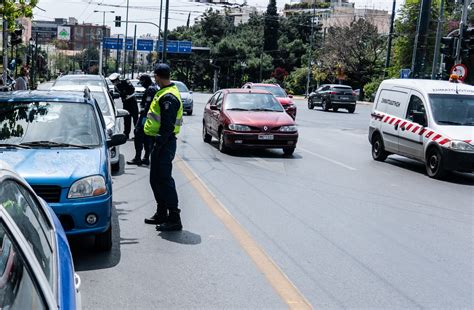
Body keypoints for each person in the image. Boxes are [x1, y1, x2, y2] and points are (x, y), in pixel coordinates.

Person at [143, 64, 183, 231]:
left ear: (158, 76)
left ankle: (174, 218)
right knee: (155, 179)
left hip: (164, 143)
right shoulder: (165, 93)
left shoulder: (168, 97)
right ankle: (161, 212)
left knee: (165, 180)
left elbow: (167, 127)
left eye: (155, 77)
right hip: (160, 142)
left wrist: (158, 144)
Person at [127, 74, 158, 166]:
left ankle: (138, 158)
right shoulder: (153, 88)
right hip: (149, 116)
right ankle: (145, 157)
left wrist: (143, 119)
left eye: (142, 83)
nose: (141, 85)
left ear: (145, 81)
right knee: (146, 137)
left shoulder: (150, 89)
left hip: (146, 116)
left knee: (138, 133)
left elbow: (147, 106)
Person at [108, 73, 139, 139]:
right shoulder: (116, 87)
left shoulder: (126, 82)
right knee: (126, 119)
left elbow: (133, 90)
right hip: (125, 103)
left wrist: (129, 96)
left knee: (135, 119)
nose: (113, 83)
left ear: (118, 79)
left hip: (132, 102)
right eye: (112, 81)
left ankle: (137, 134)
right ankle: (126, 134)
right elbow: (117, 95)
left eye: (114, 81)